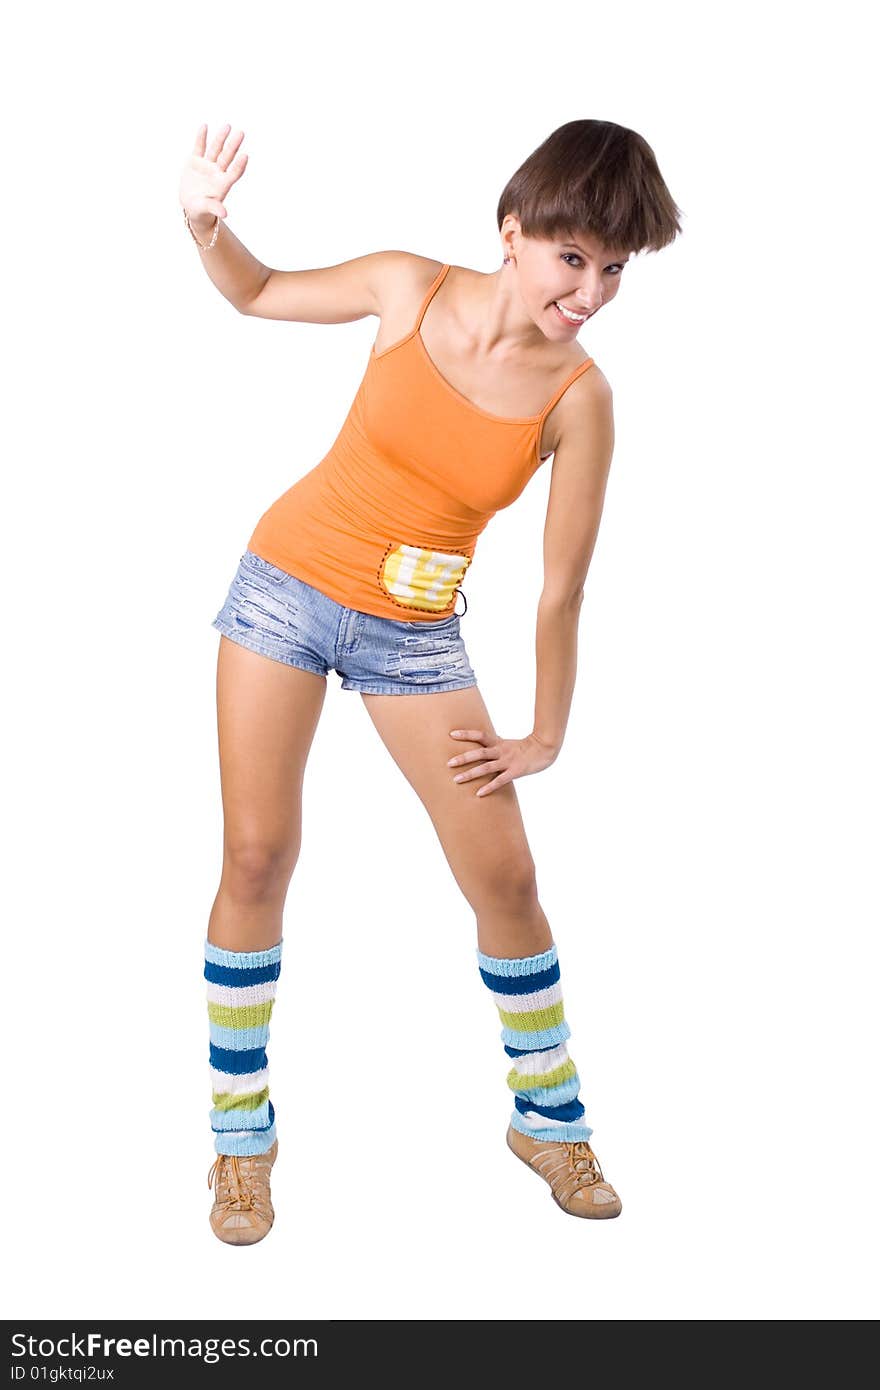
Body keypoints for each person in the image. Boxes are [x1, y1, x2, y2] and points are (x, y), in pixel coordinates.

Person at [179, 118, 682, 1244]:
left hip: (412, 639)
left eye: (615, 269)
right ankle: (239, 1143)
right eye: (574, 259)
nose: (591, 291)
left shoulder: (581, 400)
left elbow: (560, 589)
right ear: (513, 233)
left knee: (504, 874)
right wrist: (208, 226)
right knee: (257, 854)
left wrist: (543, 733)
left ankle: (548, 1120)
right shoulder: (407, 288)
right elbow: (253, 292)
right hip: (283, 589)